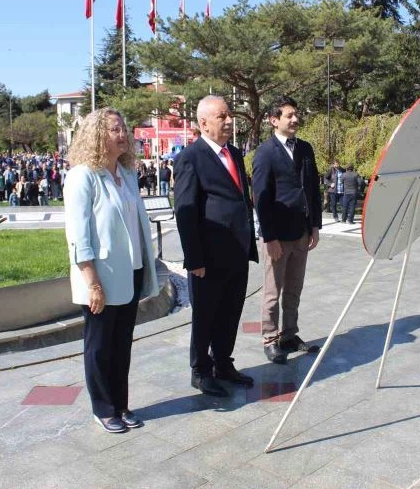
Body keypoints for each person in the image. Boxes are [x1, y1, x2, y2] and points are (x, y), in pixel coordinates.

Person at [64, 107, 160, 433]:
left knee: (121, 344)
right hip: (100, 276)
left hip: (130, 271)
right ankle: (103, 408)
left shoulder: (127, 174)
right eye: (115, 129)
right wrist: (92, 283)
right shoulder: (83, 176)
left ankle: (121, 404)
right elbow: (79, 236)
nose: (123, 134)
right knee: (100, 346)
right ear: (97, 135)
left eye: (123, 129)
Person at [174, 95, 258, 397]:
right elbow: (185, 210)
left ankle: (223, 362)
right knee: (205, 316)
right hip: (207, 258)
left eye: (229, 115)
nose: (229, 121)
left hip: (237, 251)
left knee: (230, 312)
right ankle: (200, 370)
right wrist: (194, 258)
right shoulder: (191, 157)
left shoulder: (233, 153)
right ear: (204, 122)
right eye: (222, 116)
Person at [252, 95, 322, 364]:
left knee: (294, 288)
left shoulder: (305, 148)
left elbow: (313, 189)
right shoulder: (265, 152)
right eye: (289, 115)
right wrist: (269, 237)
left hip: (301, 232)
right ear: (274, 120)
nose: (295, 119)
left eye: (296, 114)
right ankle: (270, 338)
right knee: (273, 292)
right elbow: (260, 197)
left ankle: (289, 334)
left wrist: (314, 225)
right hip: (277, 236)